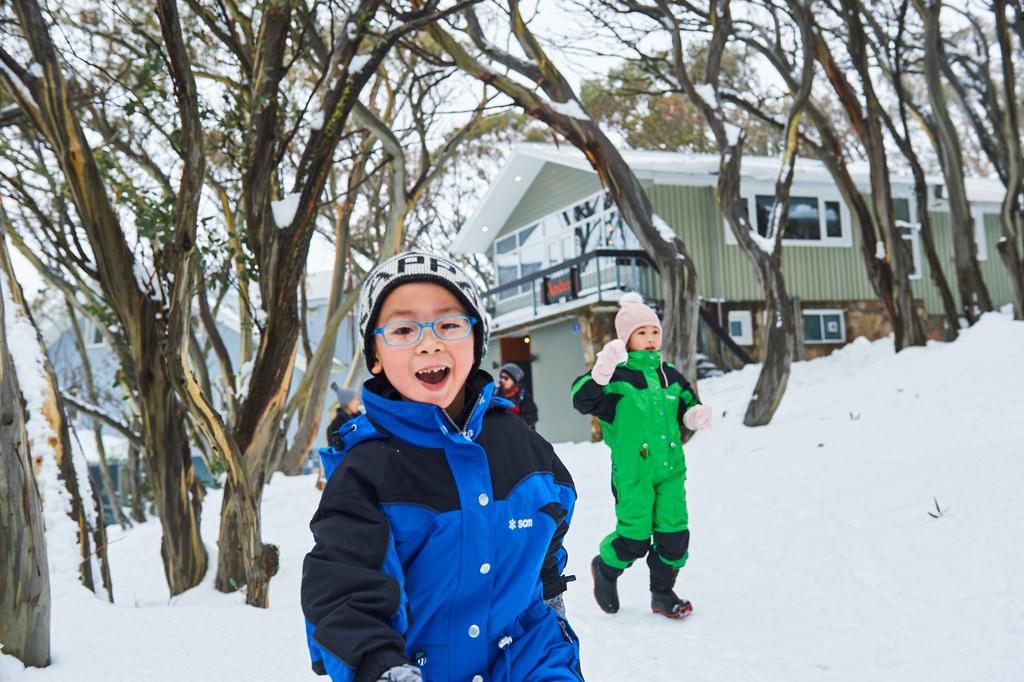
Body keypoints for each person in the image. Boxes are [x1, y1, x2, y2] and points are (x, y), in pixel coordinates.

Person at [302, 251, 582, 682]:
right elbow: (343, 590)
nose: (428, 342)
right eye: (402, 329)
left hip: (527, 664)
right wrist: (378, 665)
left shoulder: (521, 443)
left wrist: (547, 593)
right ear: (375, 356)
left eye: (449, 324)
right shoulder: (365, 471)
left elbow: (554, 516)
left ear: (476, 341)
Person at [570, 292, 712, 620]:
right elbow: (581, 400)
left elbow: (689, 406)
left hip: (671, 470)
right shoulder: (616, 378)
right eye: (641, 333)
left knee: (675, 538)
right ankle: (605, 567)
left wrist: (695, 417)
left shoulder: (671, 375)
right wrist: (601, 372)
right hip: (633, 472)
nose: (650, 339)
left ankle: (662, 594)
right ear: (626, 338)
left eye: (654, 332)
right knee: (634, 539)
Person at [496, 362, 539, 429]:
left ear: (514, 380)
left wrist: (512, 421)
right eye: (501, 377)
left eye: (506, 378)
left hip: (517, 433)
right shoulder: (495, 393)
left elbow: (532, 417)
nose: (502, 380)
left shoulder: (523, 397)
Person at [325, 382, 362, 450]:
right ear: (348, 402)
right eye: (355, 399)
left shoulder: (360, 418)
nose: (358, 402)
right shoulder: (334, 427)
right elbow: (335, 453)